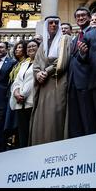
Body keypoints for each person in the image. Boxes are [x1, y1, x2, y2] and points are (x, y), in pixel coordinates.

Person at [29, 16, 71, 145]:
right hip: (43, 85)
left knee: (56, 116)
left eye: (56, 23)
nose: (53, 25)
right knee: (41, 119)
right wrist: (37, 74)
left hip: (58, 82)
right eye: (50, 23)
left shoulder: (65, 39)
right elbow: (36, 64)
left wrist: (46, 71)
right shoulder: (42, 44)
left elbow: (63, 61)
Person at [68, 7, 96, 138]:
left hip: (87, 80)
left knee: (88, 116)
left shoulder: (94, 33)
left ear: (90, 17)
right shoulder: (75, 38)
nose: (80, 18)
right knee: (76, 118)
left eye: (83, 15)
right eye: (78, 16)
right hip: (73, 82)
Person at [11, 39, 39, 148]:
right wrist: (16, 93)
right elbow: (17, 81)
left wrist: (22, 94)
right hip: (19, 103)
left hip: (31, 101)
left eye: (34, 46)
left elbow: (33, 81)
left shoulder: (41, 62)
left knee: (33, 132)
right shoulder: (24, 64)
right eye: (29, 47)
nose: (31, 48)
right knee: (22, 134)